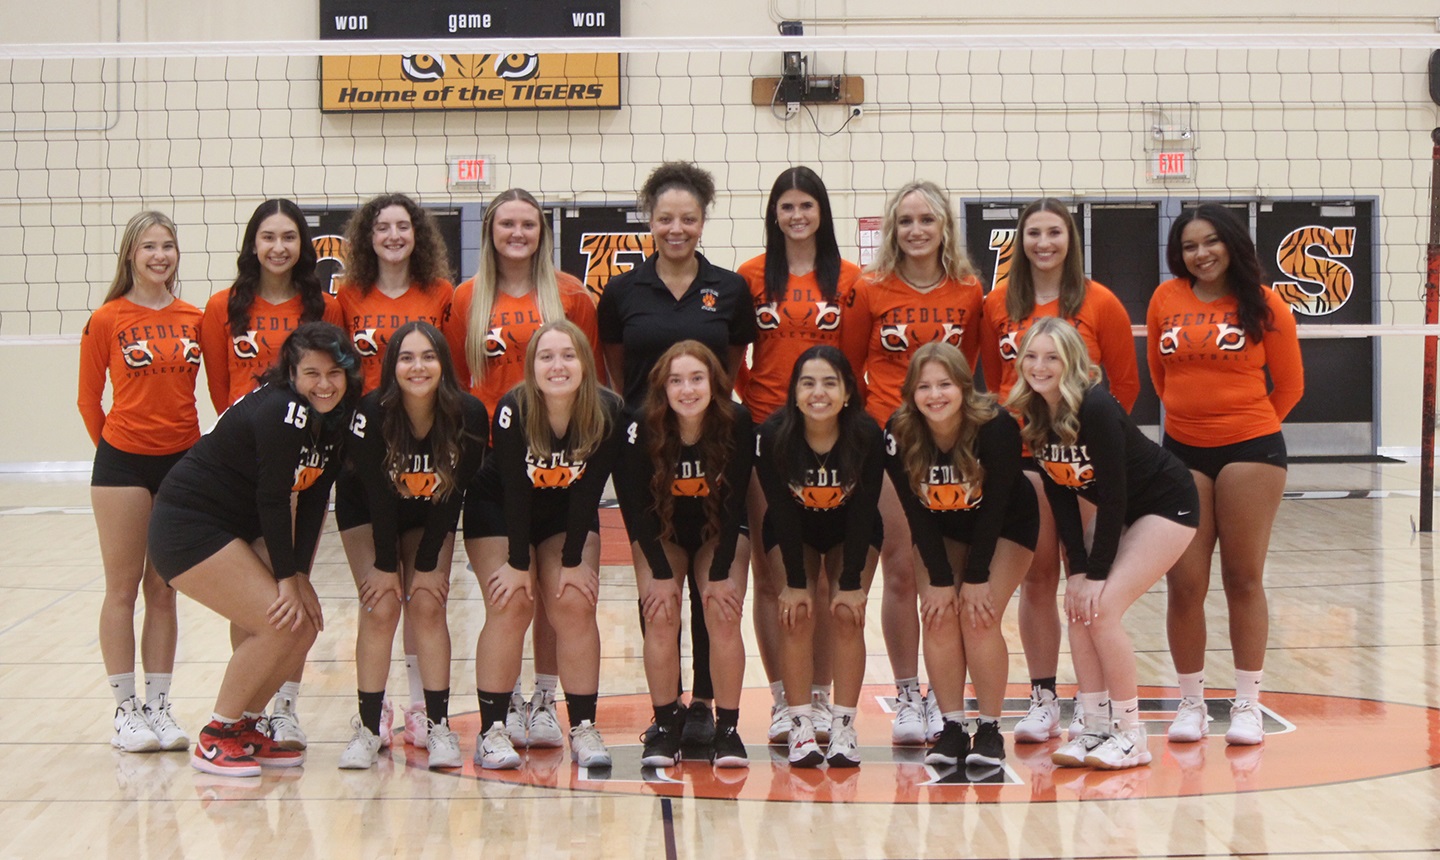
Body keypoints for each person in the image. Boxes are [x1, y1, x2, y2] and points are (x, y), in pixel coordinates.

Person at [147, 322, 361, 776]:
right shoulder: (284, 410)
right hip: (189, 525)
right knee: (279, 622)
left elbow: (317, 494)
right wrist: (287, 579)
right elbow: (273, 498)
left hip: (232, 527)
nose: (324, 384)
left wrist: (301, 574)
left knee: (301, 626)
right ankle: (216, 734)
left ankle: (245, 726)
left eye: (334, 373)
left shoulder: (336, 417)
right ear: (291, 373)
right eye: (311, 373)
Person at [597, 161, 756, 748]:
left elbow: (729, 369)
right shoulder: (622, 290)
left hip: (712, 450)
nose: (677, 227)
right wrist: (652, 419)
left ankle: (707, 706)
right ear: (650, 220)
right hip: (648, 455)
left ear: (703, 220)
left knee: (715, 594)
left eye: (688, 218)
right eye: (666, 218)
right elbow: (618, 370)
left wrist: (697, 412)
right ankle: (667, 712)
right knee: (660, 594)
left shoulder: (730, 289)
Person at [977, 198, 1141, 745]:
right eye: (1033, 233)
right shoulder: (998, 302)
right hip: (1023, 458)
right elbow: (995, 376)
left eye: (1054, 232)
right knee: (1038, 576)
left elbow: (1125, 384)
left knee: (1087, 573)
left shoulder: (1101, 302)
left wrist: (1093, 447)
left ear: (1070, 239)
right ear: (1019, 241)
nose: (1043, 243)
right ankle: (1044, 697)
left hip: (1079, 458)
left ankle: (1095, 705)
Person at [444, 188, 602, 751]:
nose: (517, 233)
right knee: (512, 598)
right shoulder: (467, 298)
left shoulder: (571, 295)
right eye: (506, 223)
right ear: (490, 231)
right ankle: (503, 703)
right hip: (497, 464)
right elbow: (457, 383)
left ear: (543, 232)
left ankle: (544, 699)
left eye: (528, 224)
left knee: (565, 598)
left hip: (559, 461)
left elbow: (592, 376)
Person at [1008, 318, 1198, 770]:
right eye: (1032, 356)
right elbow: (1060, 492)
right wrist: (1076, 570)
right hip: (1125, 509)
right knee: (1078, 604)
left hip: (1166, 504)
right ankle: (1093, 726)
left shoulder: (1095, 407)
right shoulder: (1035, 413)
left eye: (1052, 357)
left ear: (1073, 361)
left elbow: (1113, 495)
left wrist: (1096, 572)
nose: (1040, 366)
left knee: (1103, 606)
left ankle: (1132, 734)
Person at [1149, 204, 1303, 746]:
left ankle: (1247, 704)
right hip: (1182, 452)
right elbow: (1160, 378)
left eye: (1211, 242)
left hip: (1251, 451)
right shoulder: (1165, 299)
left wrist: (1245, 429)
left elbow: (1290, 386)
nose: (1201, 253)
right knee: (1184, 583)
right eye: (1190, 246)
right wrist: (1196, 424)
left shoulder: (1264, 303)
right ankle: (1191, 703)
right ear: (1179, 254)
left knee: (1243, 579)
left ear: (1231, 243)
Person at [842, 180, 984, 744]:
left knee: (946, 571)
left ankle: (946, 696)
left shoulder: (970, 289)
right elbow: (851, 366)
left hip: (949, 446)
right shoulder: (869, 288)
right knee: (902, 565)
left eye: (927, 220)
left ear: (945, 226)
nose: (917, 230)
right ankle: (907, 694)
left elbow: (966, 368)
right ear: (892, 229)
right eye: (905, 221)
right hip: (889, 439)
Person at [198, 198, 342, 749]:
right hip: (248, 468)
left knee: (291, 581)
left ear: (303, 246)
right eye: (268, 237)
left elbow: (335, 380)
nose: (278, 247)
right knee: (259, 593)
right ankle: (246, 711)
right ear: (252, 244)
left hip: (302, 464)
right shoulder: (223, 307)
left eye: (289, 237)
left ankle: (284, 707)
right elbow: (220, 389)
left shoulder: (323, 307)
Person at [738, 167, 865, 746]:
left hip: (833, 437)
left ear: (822, 212)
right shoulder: (751, 278)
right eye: (786, 206)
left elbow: (856, 359)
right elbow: (731, 353)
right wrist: (758, 397)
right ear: (773, 214)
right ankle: (784, 703)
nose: (796, 216)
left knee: (824, 581)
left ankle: (820, 699)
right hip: (770, 431)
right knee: (776, 578)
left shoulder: (851, 280)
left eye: (806, 205)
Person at [466, 320, 623, 770]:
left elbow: (590, 491)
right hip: (498, 507)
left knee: (573, 600)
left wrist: (572, 561)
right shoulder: (514, 408)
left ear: (586, 363)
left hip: (563, 513)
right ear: (531, 366)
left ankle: (583, 727)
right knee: (512, 602)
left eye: (569, 355)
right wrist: (519, 564)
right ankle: (493, 729)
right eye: (546, 356)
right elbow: (515, 493)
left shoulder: (607, 411)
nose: (558, 365)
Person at [337, 321, 487, 771]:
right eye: (406, 357)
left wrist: (425, 565)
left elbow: (454, 494)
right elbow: (378, 497)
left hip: (431, 511)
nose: (417, 366)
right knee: (381, 605)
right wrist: (386, 566)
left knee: (426, 600)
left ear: (443, 364)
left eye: (428, 356)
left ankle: (436, 723)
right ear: (391, 367)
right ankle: (367, 727)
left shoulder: (468, 414)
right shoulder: (371, 413)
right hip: (366, 510)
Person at [78, 210, 201, 753]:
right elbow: (87, 399)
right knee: (123, 589)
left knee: (165, 589)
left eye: (168, 246)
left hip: (183, 462)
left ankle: (159, 706)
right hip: (123, 465)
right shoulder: (107, 318)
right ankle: (125, 712)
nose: (159, 255)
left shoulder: (195, 318)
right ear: (131, 254)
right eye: (148, 246)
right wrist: (114, 452)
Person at [334, 193, 455, 748]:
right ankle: (371, 715)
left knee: (426, 598)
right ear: (367, 237)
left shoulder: (441, 294)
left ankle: (418, 709)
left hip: (428, 460)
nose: (392, 235)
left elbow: (448, 372)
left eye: (403, 226)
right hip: (368, 458)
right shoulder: (347, 296)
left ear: (418, 234)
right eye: (381, 227)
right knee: (380, 597)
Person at [885, 342, 1038, 769]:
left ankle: (989, 730)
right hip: (940, 529)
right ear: (911, 393)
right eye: (924, 386)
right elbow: (915, 512)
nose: (935, 395)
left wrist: (976, 576)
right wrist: (937, 579)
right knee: (937, 613)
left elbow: (996, 506)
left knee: (979, 615)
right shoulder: (898, 433)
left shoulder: (996, 427)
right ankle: (952, 727)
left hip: (1006, 525)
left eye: (945, 384)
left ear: (964, 388)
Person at [614, 341, 754, 768]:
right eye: (676, 380)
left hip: (720, 530)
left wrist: (721, 571)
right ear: (663, 387)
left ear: (715, 383)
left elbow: (734, 507)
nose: (687, 389)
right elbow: (634, 508)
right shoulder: (640, 425)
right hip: (662, 532)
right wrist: (658, 574)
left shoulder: (737, 421)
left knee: (723, 607)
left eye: (697, 378)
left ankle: (727, 730)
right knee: (659, 610)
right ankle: (665, 725)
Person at [755, 346, 882, 768]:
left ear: (848, 392)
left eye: (830, 382)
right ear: (793, 392)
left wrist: (850, 583)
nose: (818, 392)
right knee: (798, 612)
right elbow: (781, 510)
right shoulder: (775, 435)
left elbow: (865, 510)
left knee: (847, 613)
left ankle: (844, 727)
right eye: (807, 383)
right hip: (795, 531)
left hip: (852, 530)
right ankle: (800, 726)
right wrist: (793, 581)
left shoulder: (865, 433)